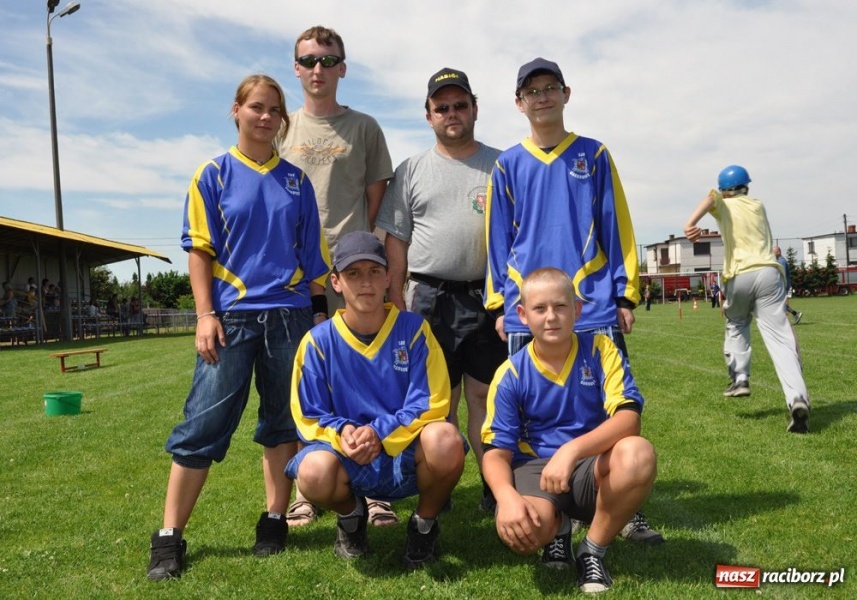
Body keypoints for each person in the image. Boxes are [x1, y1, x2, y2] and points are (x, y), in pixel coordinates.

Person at [146, 74, 331, 581]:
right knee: (201, 426)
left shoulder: (296, 180)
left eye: (274, 109)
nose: (266, 116)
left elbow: (312, 263)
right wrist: (205, 316)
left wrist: (317, 316)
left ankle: (273, 520)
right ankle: (169, 536)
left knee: (281, 423)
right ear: (237, 110)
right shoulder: (213, 173)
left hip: (290, 318)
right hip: (230, 320)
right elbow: (199, 252)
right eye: (256, 107)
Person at [484, 57, 662, 544]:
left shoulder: (594, 154)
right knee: (535, 419)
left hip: (591, 303)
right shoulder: (507, 164)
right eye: (532, 91)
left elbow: (616, 222)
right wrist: (501, 303)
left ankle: (622, 507)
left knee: (610, 413)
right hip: (530, 311)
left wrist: (625, 292)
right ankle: (552, 507)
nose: (542, 97)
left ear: (566, 93)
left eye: (550, 88)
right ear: (519, 103)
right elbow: (497, 239)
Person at [277, 24, 396, 528]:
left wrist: (359, 263)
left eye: (328, 60)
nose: (317, 70)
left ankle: (374, 490)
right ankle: (309, 483)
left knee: (365, 383)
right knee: (302, 385)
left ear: (343, 68)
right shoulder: (280, 128)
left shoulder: (364, 127)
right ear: (296, 68)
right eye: (308, 61)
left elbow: (375, 203)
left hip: (352, 276)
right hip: (295, 281)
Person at [286, 231, 465, 567]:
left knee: (446, 439)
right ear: (336, 282)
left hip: (404, 450)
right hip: (348, 452)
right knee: (311, 472)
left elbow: (432, 401)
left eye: (373, 272)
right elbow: (308, 414)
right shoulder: (316, 342)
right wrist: (344, 433)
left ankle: (424, 525)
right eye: (353, 273)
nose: (365, 282)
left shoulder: (414, 330)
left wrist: (380, 432)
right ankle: (352, 518)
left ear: (388, 278)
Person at [377, 67, 507, 512]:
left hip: (488, 297)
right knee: (438, 402)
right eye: (442, 107)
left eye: (459, 105)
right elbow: (397, 241)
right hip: (428, 297)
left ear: (474, 108)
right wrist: (396, 297)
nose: (451, 113)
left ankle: (495, 486)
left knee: (485, 397)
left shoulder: (503, 163)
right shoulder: (411, 170)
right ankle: (441, 485)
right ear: (428, 115)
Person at [481, 268, 657, 593]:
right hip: (536, 469)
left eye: (561, 306)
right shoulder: (510, 373)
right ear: (522, 315)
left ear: (576, 309)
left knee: (638, 453)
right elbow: (495, 453)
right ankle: (557, 527)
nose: (551, 317)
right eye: (540, 309)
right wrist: (505, 498)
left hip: (591, 465)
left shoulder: (601, 349)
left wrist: (572, 450)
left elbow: (629, 419)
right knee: (524, 535)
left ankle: (592, 550)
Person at [684, 165, 810, 433]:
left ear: (725, 190)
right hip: (768, 272)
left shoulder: (724, 203)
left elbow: (710, 199)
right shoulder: (758, 206)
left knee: (737, 323)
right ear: (747, 187)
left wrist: (691, 223)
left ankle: (740, 377)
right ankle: (797, 398)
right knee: (780, 340)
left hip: (739, 274)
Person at [774, 246, 802, 324]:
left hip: (783, 285)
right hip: (783, 284)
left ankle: (791, 316)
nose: (773, 254)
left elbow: (782, 273)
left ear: (778, 252)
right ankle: (795, 314)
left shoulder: (781, 261)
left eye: (774, 252)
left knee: (778, 302)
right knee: (779, 302)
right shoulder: (779, 260)